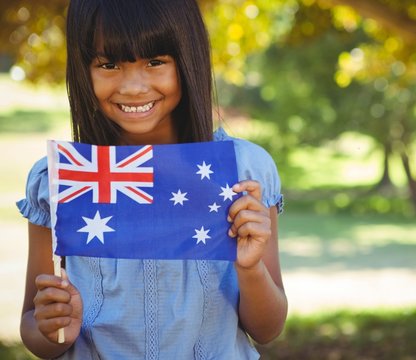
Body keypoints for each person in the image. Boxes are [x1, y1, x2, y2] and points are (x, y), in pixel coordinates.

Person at [16, 0, 287, 358]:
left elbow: (267, 330)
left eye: (155, 62)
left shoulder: (243, 171)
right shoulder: (63, 179)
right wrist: (56, 326)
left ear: (188, 59)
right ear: (83, 69)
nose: (133, 86)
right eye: (108, 64)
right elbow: (33, 327)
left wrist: (249, 269)